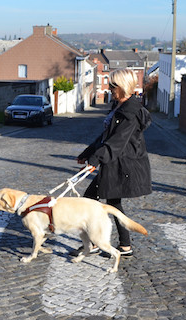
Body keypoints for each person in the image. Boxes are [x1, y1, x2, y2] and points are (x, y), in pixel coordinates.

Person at [70, 68, 152, 257]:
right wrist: (88, 153)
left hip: (122, 164)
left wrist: (95, 160)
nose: (109, 88)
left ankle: (103, 244)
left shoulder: (130, 112)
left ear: (123, 87)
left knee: (99, 201)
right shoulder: (118, 107)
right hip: (115, 162)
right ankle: (121, 245)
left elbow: (116, 142)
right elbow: (105, 136)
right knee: (108, 202)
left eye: (113, 85)